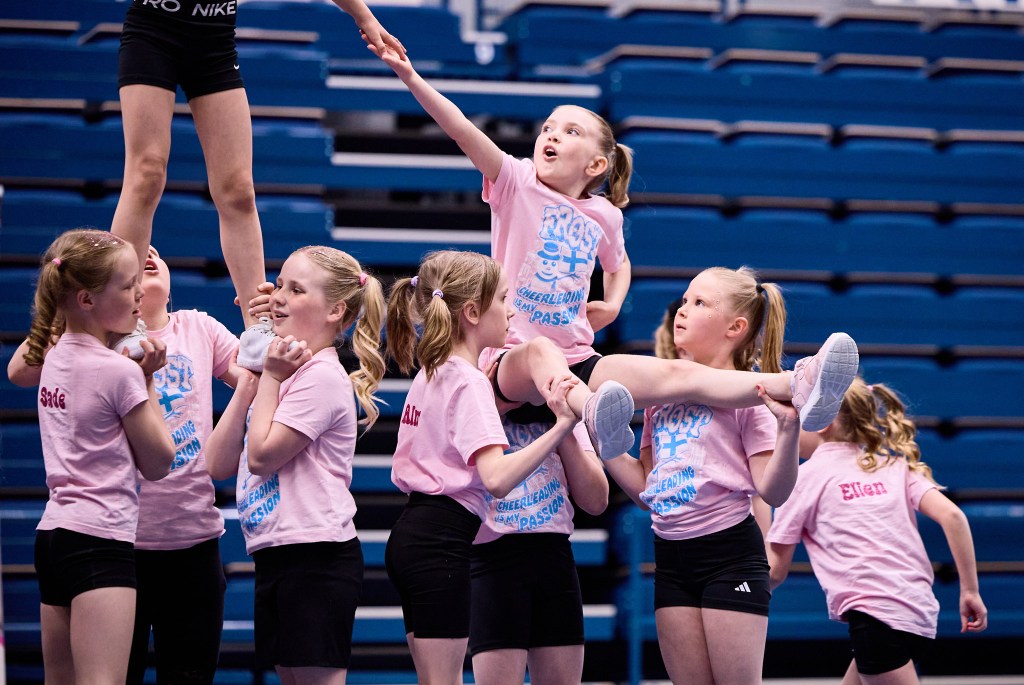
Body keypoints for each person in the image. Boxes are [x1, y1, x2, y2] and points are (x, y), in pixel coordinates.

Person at [372, 46, 860, 456]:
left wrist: (613, 302)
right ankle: (594, 416)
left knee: (677, 373)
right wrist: (410, 76)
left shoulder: (605, 215)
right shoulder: (515, 183)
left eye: (569, 132)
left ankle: (796, 383)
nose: (551, 135)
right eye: (548, 128)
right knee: (543, 352)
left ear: (596, 164)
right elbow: (461, 129)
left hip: (577, 357)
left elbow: (619, 263)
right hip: (510, 359)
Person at [8, 244, 264, 684]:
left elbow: (256, 373)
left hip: (186, 538)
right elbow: (157, 462)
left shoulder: (197, 327)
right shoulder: (107, 352)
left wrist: (267, 326)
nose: (147, 260)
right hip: (118, 540)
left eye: (151, 262)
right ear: (99, 296)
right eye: (128, 280)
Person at [112, 0, 406, 370]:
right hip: (153, 29)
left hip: (214, 37)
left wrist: (364, 16)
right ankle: (121, 318)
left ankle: (257, 328)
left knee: (238, 190)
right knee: (147, 174)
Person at [602, 267, 811, 685]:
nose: (682, 311)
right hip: (672, 560)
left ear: (735, 328)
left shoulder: (751, 395)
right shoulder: (661, 397)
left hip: (728, 556)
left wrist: (788, 431)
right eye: (684, 300)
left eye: (699, 303)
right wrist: (609, 450)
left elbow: (773, 489)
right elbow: (649, 489)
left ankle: (810, 380)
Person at [384, 250, 581, 685]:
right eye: (504, 299)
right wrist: (562, 425)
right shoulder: (469, 381)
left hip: (412, 536)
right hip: (441, 543)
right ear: (472, 311)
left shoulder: (429, 372)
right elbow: (497, 479)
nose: (512, 310)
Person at [206, 245, 386, 684]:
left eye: (296, 289)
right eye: (280, 283)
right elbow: (217, 462)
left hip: (317, 556)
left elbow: (262, 455)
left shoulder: (321, 376)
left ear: (334, 310)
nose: (279, 296)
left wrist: (268, 375)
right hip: (279, 553)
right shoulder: (283, 371)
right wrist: (251, 376)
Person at [21, 229, 175, 684]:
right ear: (86, 299)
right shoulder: (118, 372)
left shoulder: (49, 358)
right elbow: (159, 462)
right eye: (127, 286)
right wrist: (146, 380)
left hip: (53, 536)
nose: (139, 295)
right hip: (100, 539)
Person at [766, 378, 988, 685]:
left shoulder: (802, 479)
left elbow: (775, 571)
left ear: (822, 423)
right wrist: (970, 591)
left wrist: (726, 592)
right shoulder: (894, 466)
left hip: (874, 617)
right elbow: (953, 516)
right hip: (916, 611)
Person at [469, 418, 607, 685]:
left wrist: (563, 427)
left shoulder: (564, 414)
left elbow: (596, 500)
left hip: (554, 558)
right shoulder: (480, 403)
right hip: (495, 561)